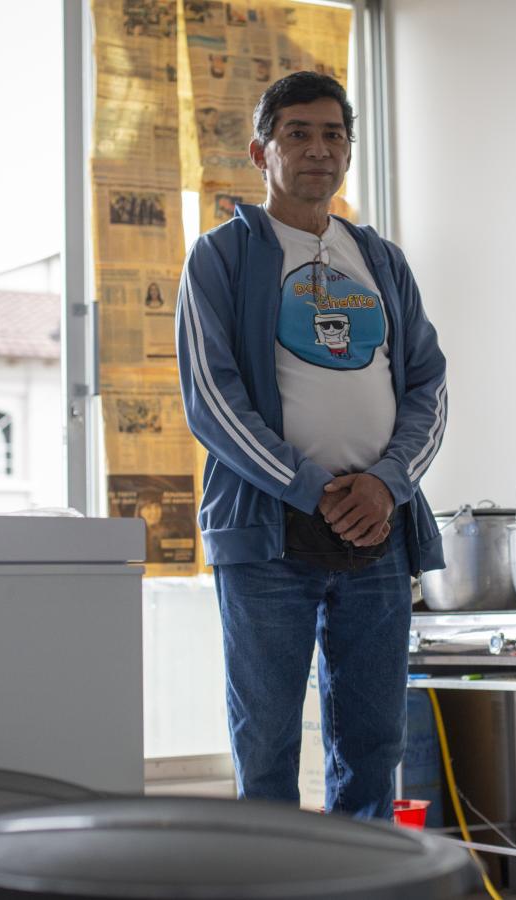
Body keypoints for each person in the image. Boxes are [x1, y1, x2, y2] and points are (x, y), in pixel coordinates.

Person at [175, 71, 447, 820]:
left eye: (333, 134)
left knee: (372, 749)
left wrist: (387, 485)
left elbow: (430, 384)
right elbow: (211, 399)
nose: (318, 148)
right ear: (261, 150)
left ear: (349, 153)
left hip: (378, 532)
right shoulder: (221, 257)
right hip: (269, 536)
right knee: (264, 750)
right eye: (298, 132)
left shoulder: (381, 260)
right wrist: (313, 487)